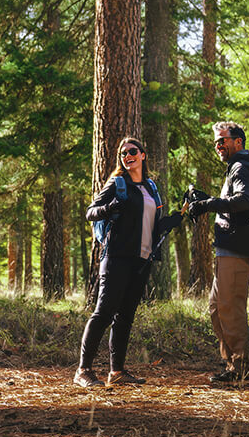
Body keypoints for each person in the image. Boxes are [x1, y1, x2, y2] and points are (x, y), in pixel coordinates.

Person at [75, 137, 182, 388]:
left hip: (141, 259)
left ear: (143, 155)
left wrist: (176, 218)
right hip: (116, 257)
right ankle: (83, 370)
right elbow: (91, 211)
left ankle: (117, 372)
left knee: (125, 317)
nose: (127, 156)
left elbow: (154, 225)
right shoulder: (117, 182)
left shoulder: (150, 187)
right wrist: (110, 206)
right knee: (103, 313)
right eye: (123, 153)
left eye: (132, 151)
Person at [184, 121, 249, 384]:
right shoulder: (235, 169)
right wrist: (206, 200)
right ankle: (232, 365)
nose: (218, 146)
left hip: (238, 248)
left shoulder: (241, 167)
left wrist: (207, 204)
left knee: (230, 307)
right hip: (229, 248)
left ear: (238, 141)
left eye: (223, 140)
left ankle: (241, 368)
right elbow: (232, 204)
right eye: (216, 142)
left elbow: (245, 201)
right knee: (217, 308)